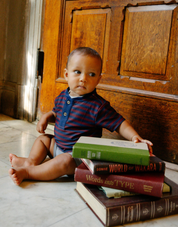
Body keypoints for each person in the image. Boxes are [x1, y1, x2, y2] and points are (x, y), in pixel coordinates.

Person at [9, 47, 153, 185]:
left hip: (78, 157)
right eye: (77, 72)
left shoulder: (98, 106)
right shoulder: (62, 96)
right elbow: (56, 114)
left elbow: (119, 123)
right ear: (66, 75)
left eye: (91, 74)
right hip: (58, 145)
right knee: (43, 140)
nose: (83, 78)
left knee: (64, 161)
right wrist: (47, 116)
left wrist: (135, 137)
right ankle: (30, 162)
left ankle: (29, 172)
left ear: (98, 79)